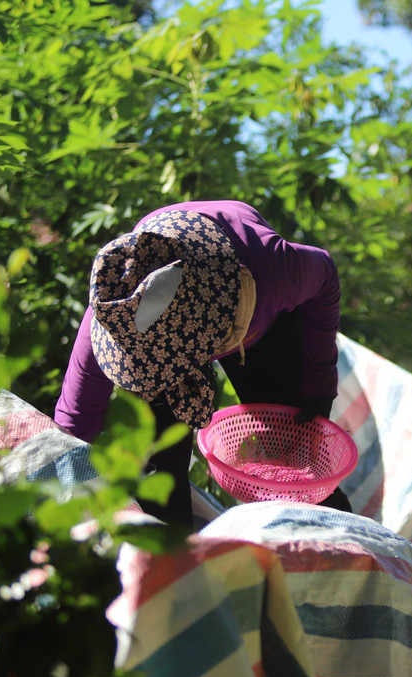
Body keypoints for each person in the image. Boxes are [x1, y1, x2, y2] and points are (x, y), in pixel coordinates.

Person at [53, 200, 349, 529]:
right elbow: (74, 421)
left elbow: (326, 277)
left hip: (256, 311)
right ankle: (171, 565)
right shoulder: (119, 312)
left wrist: (316, 395)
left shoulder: (274, 270)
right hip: (163, 329)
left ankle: (339, 551)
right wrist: (60, 494)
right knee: (159, 469)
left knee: (294, 451)